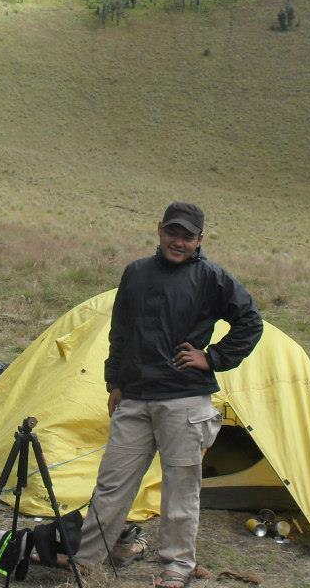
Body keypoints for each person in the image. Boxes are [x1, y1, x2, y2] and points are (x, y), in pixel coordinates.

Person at [71, 201, 263, 588]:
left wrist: (212, 358)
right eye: (172, 233)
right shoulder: (136, 273)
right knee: (112, 483)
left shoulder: (212, 278)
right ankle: (87, 561)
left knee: (181, 486)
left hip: (185, 400)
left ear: (199, 240)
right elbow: (120, 331)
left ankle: (177, 567)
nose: (178, 242)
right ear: (159, 230)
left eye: (187, 236)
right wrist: (115, 383)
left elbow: (250, 321)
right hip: (135, 397)